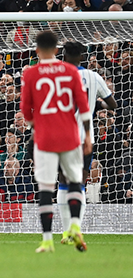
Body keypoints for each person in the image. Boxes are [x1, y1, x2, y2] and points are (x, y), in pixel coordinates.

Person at [20, 31, 91, 253]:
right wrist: (87, 136)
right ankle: (75, 228)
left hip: (45, 137)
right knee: (74, 182)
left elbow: (25, 110)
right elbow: (84, 107)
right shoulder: (71, 71)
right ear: (57, 50)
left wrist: (35, 125)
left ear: (37, 50)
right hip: (70, 136)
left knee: (46, 187)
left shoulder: (31, 74)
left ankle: (47, 239)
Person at [58, 41, 117, 245]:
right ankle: (77, 229)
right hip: (85, 138)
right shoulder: (93, 76)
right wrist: (95, 103)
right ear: (83, 57)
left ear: (63, 55)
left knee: (63, 183)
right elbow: (113, 104)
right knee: (80, 183)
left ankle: (66, 232)